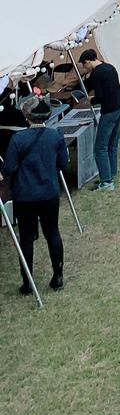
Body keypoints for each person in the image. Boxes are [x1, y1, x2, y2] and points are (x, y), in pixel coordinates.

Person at [0, 94, 69, 294]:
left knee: (27, 238)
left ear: (27, 116)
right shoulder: (55, 136)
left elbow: (10, 167)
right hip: (49, 192)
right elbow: (62, 164)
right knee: (52, 233)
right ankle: (58, 276)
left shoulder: (18, 139)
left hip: (25, 195)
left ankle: (28, 282)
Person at [79, 49, 120, 192]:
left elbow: (101, 96)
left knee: (100, 147)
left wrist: (91, 100)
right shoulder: (110, 67)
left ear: (87, 62)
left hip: (109, 111)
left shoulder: (96, 74)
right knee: (112, 144)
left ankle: (106, 181)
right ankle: (111, 173)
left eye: (84, 66)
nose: (84, 69)